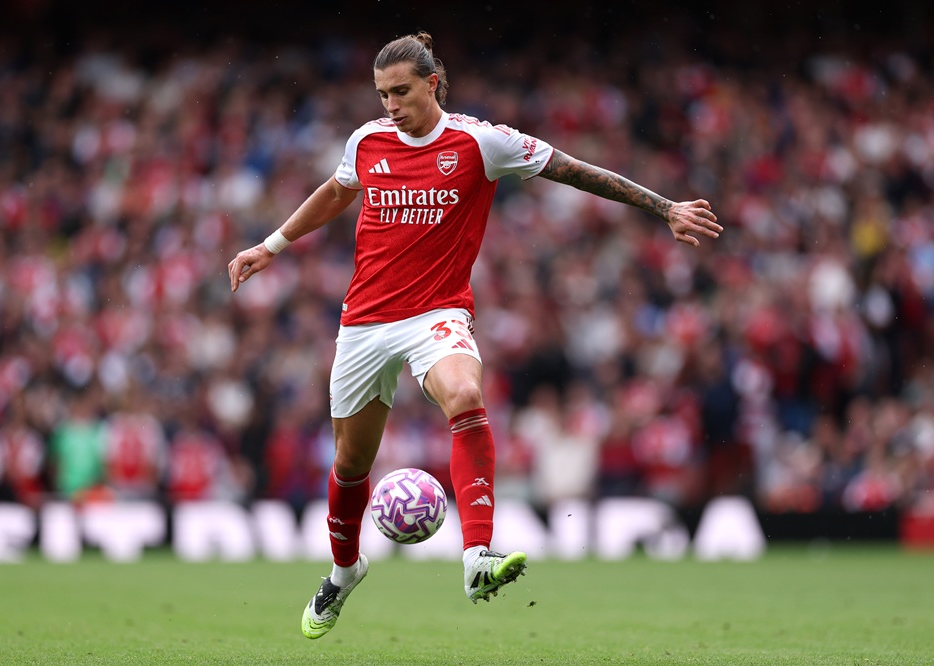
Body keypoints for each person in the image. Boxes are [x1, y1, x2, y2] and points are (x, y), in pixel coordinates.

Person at [227, 31, 722, 640]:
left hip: (436, 314)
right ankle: (344, 572)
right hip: (364, 322)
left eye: (402, 92)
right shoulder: (367, 141)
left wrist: (664, 206)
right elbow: (336, 191)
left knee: (465, 395)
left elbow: (572, 169)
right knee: (351, 464)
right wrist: (271, 246)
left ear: (432, 83)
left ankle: (477, 557)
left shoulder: (478, 141)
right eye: (382, 94)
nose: (390, 105)